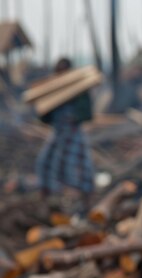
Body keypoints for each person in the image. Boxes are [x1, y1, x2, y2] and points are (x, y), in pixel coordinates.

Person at [35, 58, 95, 211]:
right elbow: (44, 116)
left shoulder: (79, 89)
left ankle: (87, 206)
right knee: (45, 163)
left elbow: (87, 114)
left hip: (74, 133)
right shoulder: (52, 89)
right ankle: (46, 206)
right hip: (58, 134)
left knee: (83, 169)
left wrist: (74, 116)